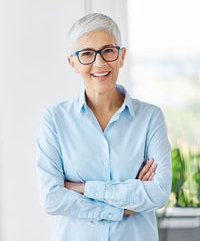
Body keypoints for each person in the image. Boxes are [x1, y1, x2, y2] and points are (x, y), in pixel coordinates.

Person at [36, 13, 172, 241]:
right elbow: (52, 198)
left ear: (121, 56)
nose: (99, 63)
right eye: (87, 54)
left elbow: (158, 194)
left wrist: (82, 188)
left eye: (108, 51)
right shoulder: (54, 120)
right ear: (73, 62)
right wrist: (123, 206)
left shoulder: (150, 118)